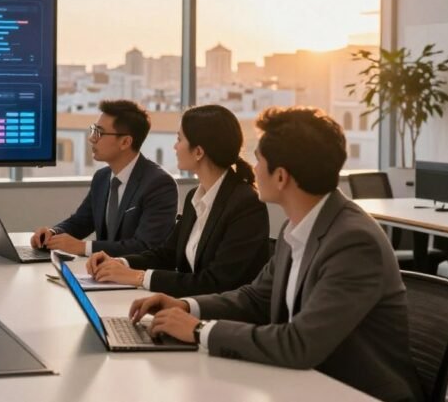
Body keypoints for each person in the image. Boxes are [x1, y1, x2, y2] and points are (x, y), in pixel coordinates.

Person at [129, 107, 422, 402]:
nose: (252, 169)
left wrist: (199, 331)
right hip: (304, 383)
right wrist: (185, 306)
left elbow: (300, 343)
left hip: (354, 392)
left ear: (281, 176)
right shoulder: (295, 227)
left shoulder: (354, 242)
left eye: (259, 161)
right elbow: (254, 298)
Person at [85, 105, 268, 296]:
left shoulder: (245, 204)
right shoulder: (194, 197)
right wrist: (120, 263)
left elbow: (217, 282)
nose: (175, 146)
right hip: (189, 307)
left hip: (223, 319)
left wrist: (137, 277)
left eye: (179, 139)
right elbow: (166, 254)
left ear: (198, 152)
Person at [32, 99, 177, 257]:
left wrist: (83, 247)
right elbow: (81, 222)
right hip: (103, 275)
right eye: (93, 130)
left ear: (125, 142)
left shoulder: (159, 184)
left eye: (99, 133)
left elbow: (145, 246)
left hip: (135, 277)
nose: (91, 138)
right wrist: (52, 234)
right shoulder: (102, 177)